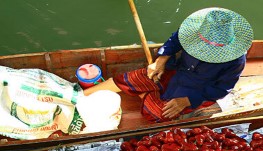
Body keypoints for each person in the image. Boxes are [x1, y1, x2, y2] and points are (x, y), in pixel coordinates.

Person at [83, 7, 253, 122]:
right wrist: (161, 60)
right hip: (176, 71)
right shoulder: (196, 30)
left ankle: (147, 93)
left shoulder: (236, 61)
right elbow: (175, 40)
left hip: (196, 90)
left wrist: (187, 100)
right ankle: (82, 96)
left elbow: (221, 89)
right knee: (130, 78)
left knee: (155, 114)